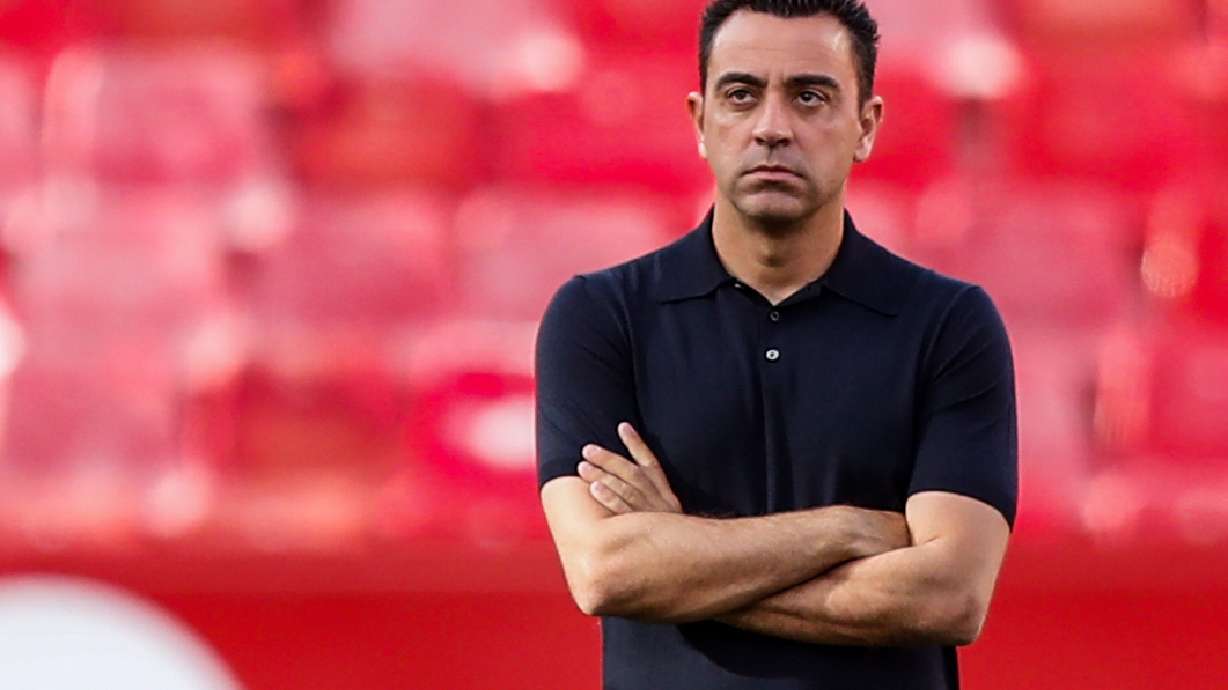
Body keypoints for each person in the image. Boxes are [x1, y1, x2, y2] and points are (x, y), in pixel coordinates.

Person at [534, 1, 1017, 688]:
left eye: (810, 96)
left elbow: (948, 596)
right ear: (701, 122)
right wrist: (849, 530)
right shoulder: (601, 317)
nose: (771, 128)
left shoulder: (949, 323)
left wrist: (682, 564)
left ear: (866, 126)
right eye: (741, 95)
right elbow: (605, 572)